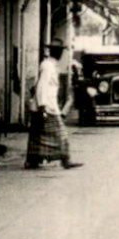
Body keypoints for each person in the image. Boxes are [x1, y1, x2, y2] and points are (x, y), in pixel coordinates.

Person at [25, 42, 83, 170]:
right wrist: (42, 106)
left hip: (48, 105)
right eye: (58, 51)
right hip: (46, 106)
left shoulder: (52, 66)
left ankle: (33, 160)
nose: (60, 53)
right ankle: (65, 160)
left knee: (37, 135)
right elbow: (42, 86)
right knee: (61, 134)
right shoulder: (47, 66)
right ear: (53, 52)